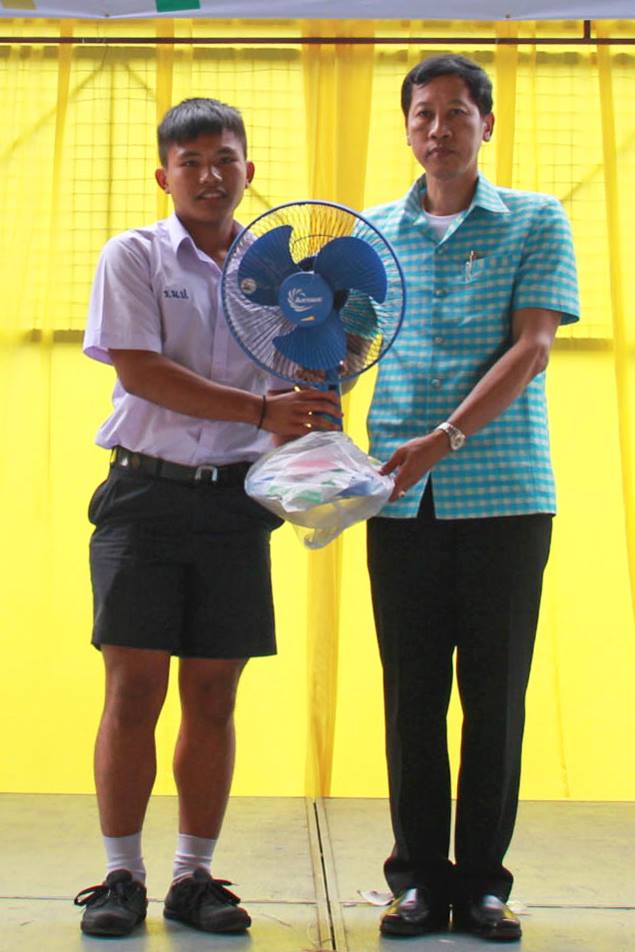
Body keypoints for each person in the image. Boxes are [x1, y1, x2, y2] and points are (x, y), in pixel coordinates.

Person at [74, 97, 340, 938]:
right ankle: (120, 876)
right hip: (143, 497)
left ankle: (193, 877)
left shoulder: (285, 277)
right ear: (164, 176)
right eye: (189, 162)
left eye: (224, 159)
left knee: (215, 695)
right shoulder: (133, 255)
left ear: (248, 171)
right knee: (133, 690)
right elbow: (140, 371)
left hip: (235, 503)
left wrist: (315, 408)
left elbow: (301, 382)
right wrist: (261, 411)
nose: (208, 175)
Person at [363, 55, 578, 942]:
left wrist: (443, 439)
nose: (438, 129)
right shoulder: (372, 234)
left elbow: (532, 348)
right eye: (423, 114)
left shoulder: (536, 219)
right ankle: (416, 882)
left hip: (504, 497)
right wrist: (308, 403)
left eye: (456, 112)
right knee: (411, 697)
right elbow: (346, 349)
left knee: (495, 697)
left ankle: (484, 885)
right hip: (395, 500)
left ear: (486, 124)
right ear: (406, 128)